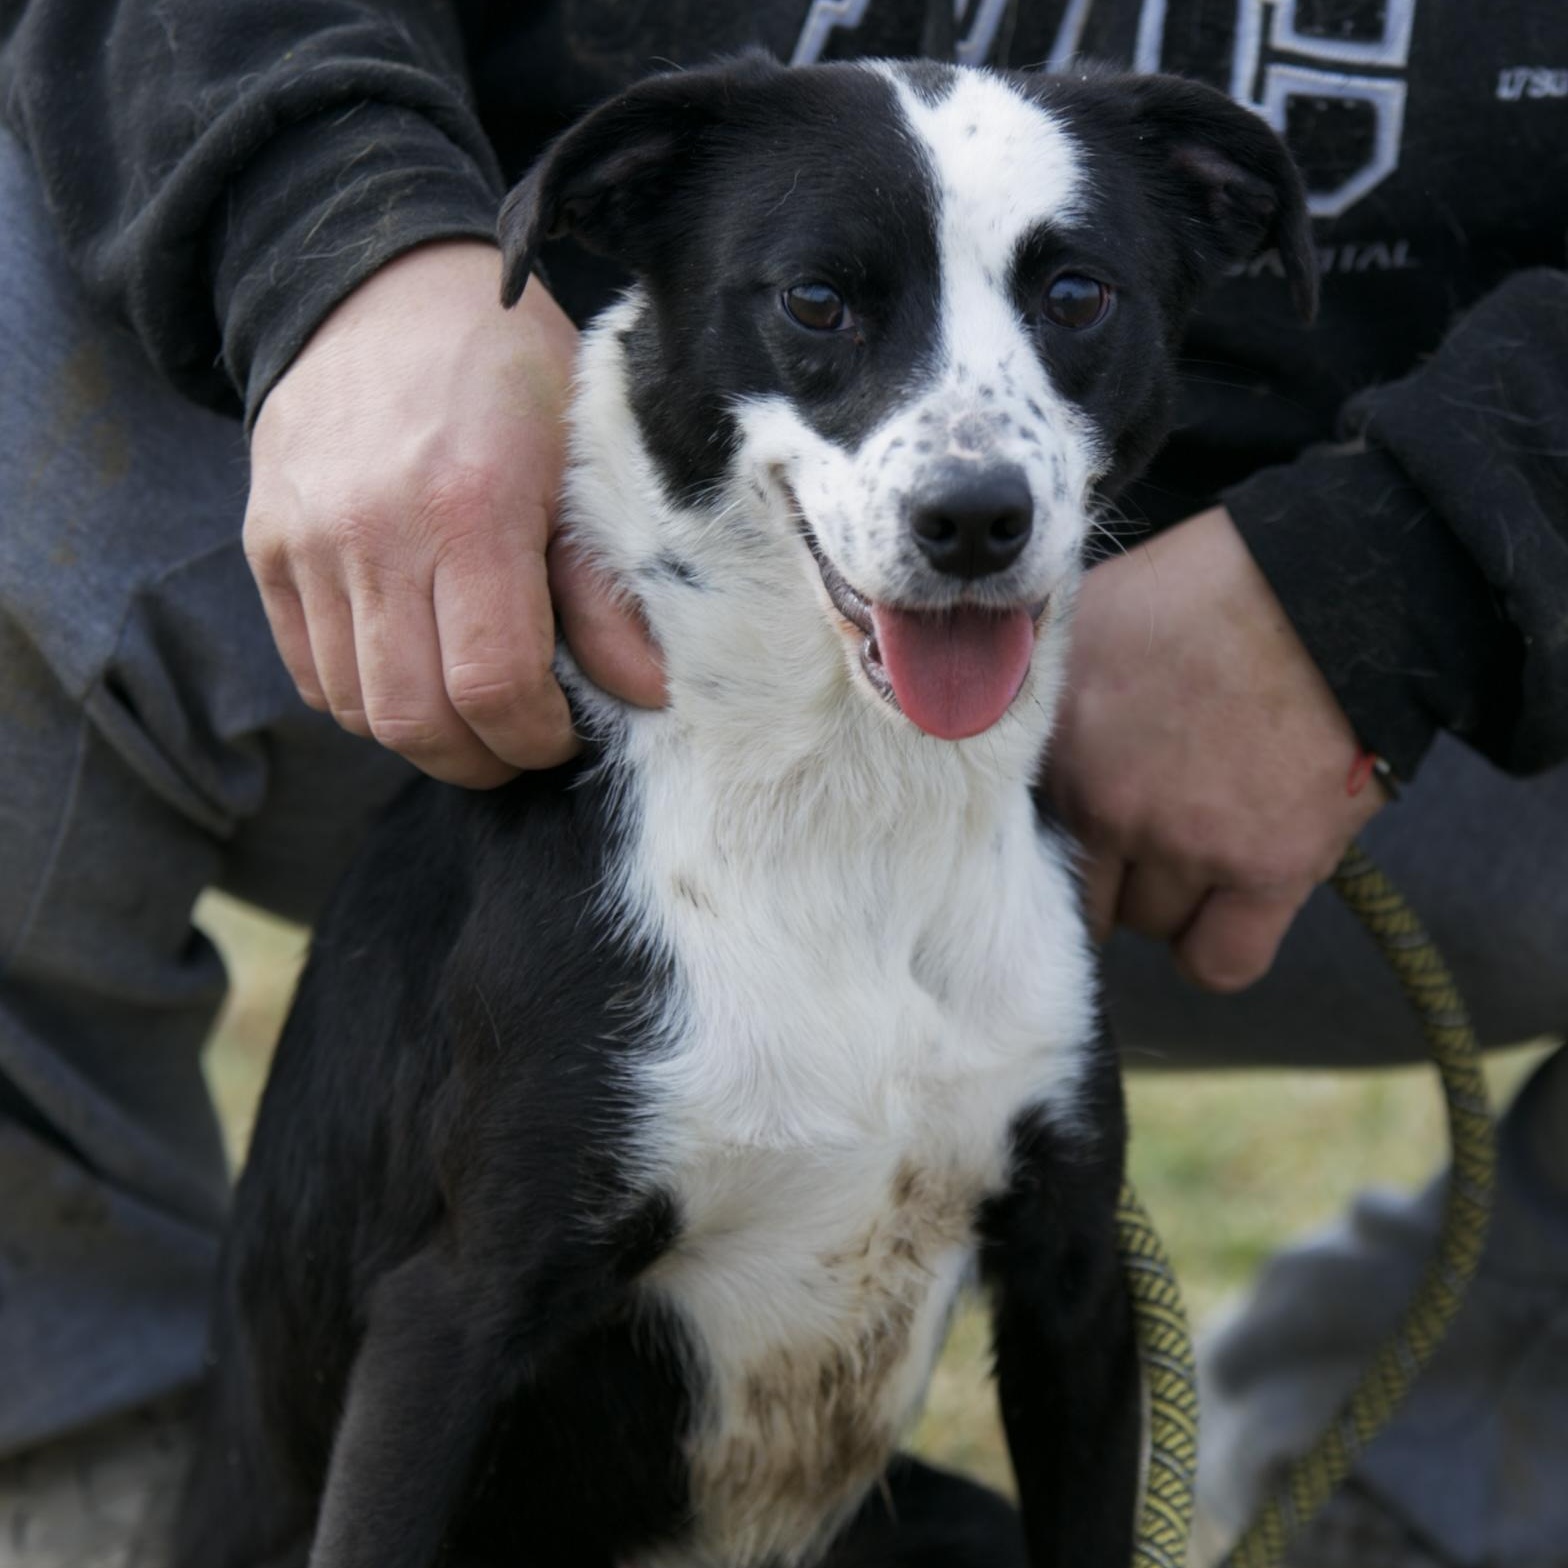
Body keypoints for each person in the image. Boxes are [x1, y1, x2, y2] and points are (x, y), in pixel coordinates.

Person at [0, 2, 1564, 1565]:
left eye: (1070, 295)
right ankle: (96, 1482)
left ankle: (1435, 1496)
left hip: (1401, 704)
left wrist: (1397, 576)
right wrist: (344, 236)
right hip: (512, 603)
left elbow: (1075, 1319)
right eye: (825, 301)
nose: (969, 456)